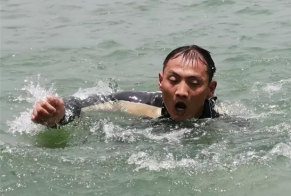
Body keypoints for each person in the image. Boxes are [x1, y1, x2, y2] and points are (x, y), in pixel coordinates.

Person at [31, 45, 219, 127]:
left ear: (210, 90)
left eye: (194, 83)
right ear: (161, 81)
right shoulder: (140, 105)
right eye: (173, 80)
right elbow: (81, 105)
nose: (181, 92)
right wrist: (59, 115)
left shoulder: (222, 121)